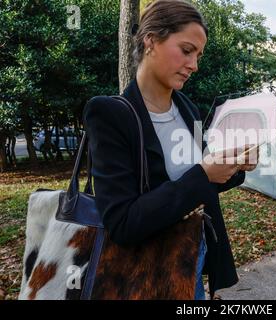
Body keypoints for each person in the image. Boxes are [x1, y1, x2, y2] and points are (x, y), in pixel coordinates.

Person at [83, 0, 257, 300]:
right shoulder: (110, 114)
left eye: (199, 55)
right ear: (151, 40)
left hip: (193, 261)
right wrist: (204, 173)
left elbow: (198, 180)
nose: (195, 65)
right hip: (146, 274)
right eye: (187, 50)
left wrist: (234, 167)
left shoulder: (190, 109)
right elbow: (122, 223)